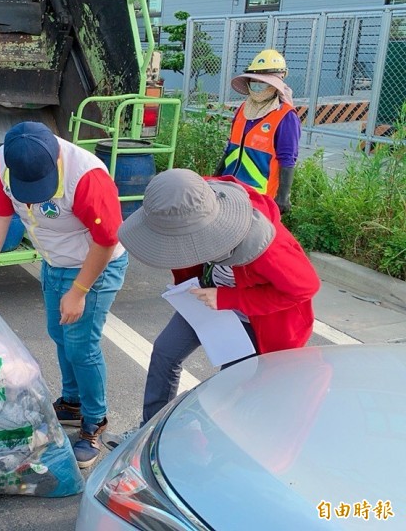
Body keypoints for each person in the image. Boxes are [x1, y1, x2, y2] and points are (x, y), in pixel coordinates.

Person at [103, 168, 320, 448]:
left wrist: (228, 299)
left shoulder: (267, 245)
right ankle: (151, 434)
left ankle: (211, 451)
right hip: (207, 298)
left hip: (258, 319)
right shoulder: (186, 202)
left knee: (229, 386)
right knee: (165, 352)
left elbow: (305, 287)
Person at [0, 121, 129, 468]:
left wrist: (79, 291)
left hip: (94, 264)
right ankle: (72, 401)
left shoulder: (86, 177)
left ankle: (95, 420)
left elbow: (107, 239)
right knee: (59, 333)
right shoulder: (4, 162)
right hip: (54, 261)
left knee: (81, 343)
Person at [214, 49, 300, 214]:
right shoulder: (243, 110)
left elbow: (288, 159)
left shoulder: (285, 116)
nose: (257, 86)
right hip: (228, 187)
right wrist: (216, 176)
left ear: (275, 85)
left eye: (263, 82)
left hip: (259, 197)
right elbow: (231, 147)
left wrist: (283, 197)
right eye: (254, 81)